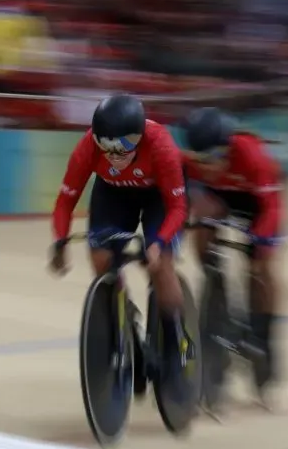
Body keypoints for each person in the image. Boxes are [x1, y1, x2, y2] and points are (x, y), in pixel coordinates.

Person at [49, 93, 192, 383]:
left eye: (124, 145)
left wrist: (159, 242)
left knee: (160, 263)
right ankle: (125, 318)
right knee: (101, 258)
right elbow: (65, 202)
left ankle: (177, 337)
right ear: (97, 139)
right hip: (113, 195)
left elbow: (177, 208)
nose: (115, 153)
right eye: (107, 146)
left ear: (139, 136)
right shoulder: (87, 147)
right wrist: (60, 242)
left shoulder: (161, 145)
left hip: (157, 198)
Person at [181, 106, 285, 391]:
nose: (208, 165)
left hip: (258, 202)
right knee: (201, 225)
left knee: (261, 267)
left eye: (214, 157)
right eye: (201, 159)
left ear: (227, 147)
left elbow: (272, 209)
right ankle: (216, 289)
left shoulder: (252, 155)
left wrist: (260, 242)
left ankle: (264, 335)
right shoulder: (193, 163)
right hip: (221, 196)